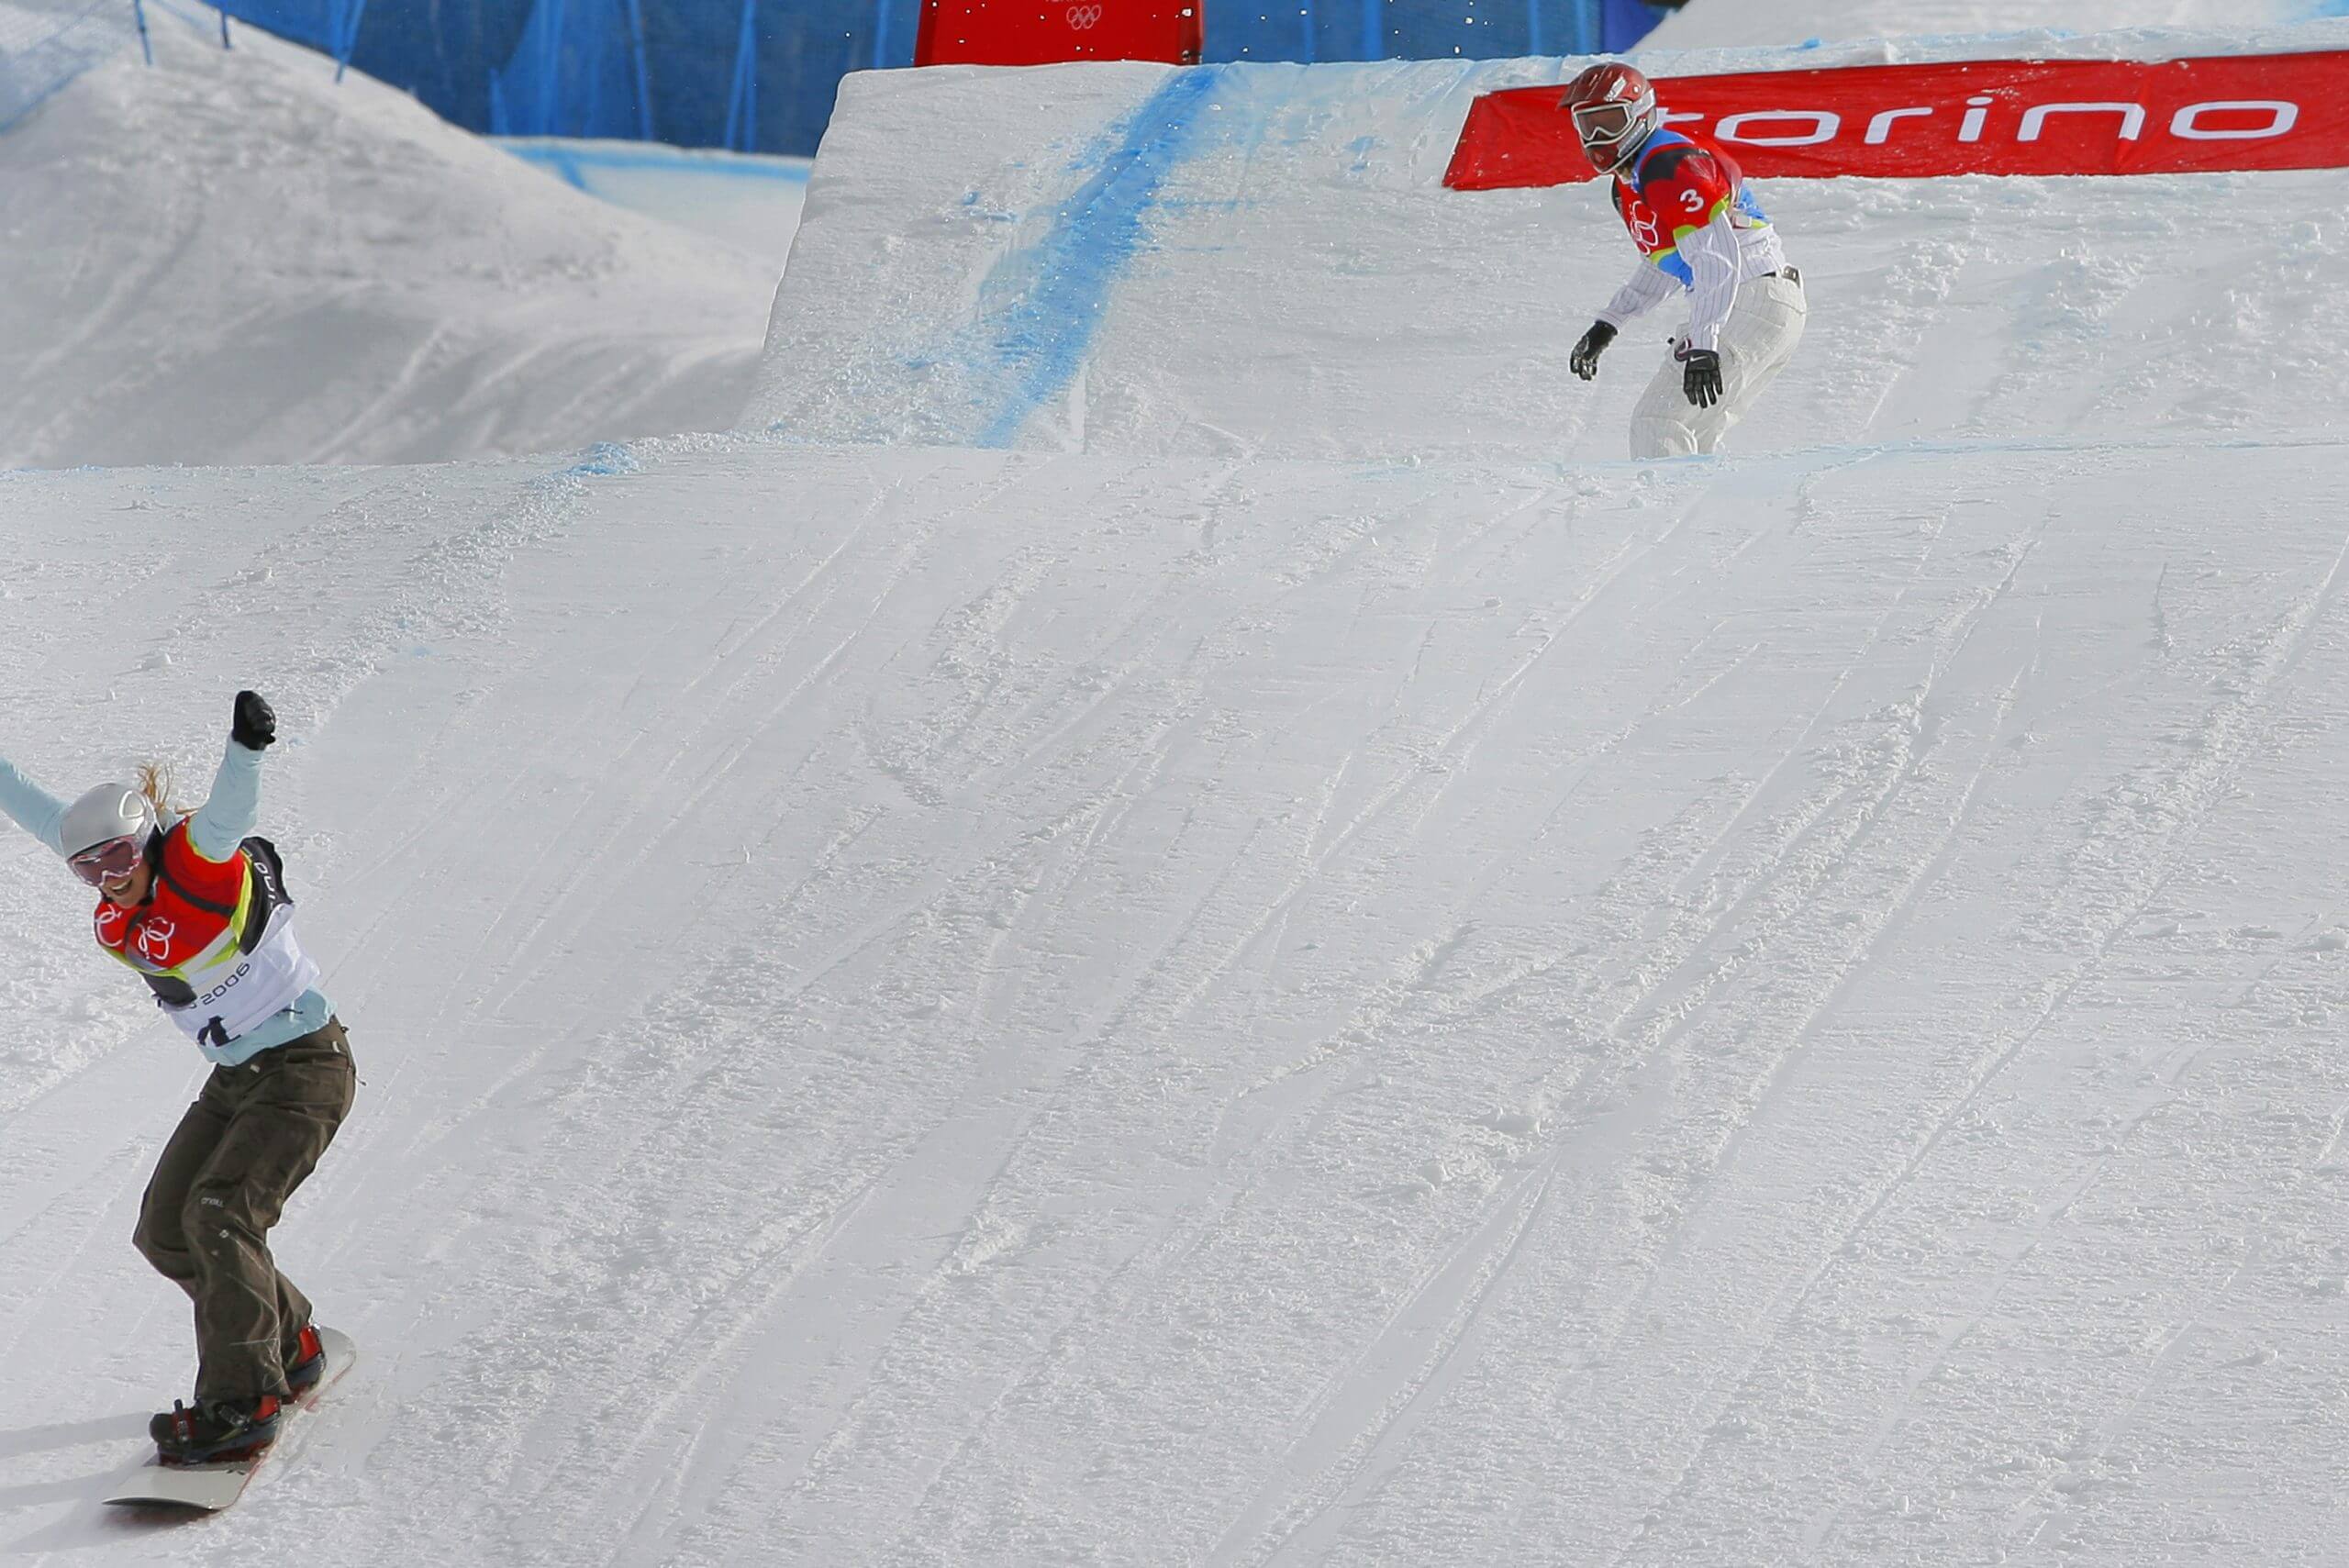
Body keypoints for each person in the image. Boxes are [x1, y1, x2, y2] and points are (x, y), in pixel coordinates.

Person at [0, 691, 355, 1464]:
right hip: (237, 1078)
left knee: (221, 1214)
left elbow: (229, 813)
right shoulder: (115, 889)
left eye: (118, 859)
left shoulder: (200, 865)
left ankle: (243, 1400)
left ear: (148, 844)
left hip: (305, 1065)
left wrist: (245, 747)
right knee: (167, 1228)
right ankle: (288, 1342)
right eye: (88, 868)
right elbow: (34, 810)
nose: (107, 878)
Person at [1561, 61, 1808, 459]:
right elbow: (1669, 262)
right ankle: (1706, 503)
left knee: (1658, 423)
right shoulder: (1632, 182)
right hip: (1766, 303)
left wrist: (1704, 342)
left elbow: (1716, 258)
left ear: (1641, 114)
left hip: (1747, 298)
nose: (1598, 137)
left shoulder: (1667, 165)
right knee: (1695, 440)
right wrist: (1609, 323)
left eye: (1610, 121)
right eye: (1587, 125)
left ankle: (1659, 501)